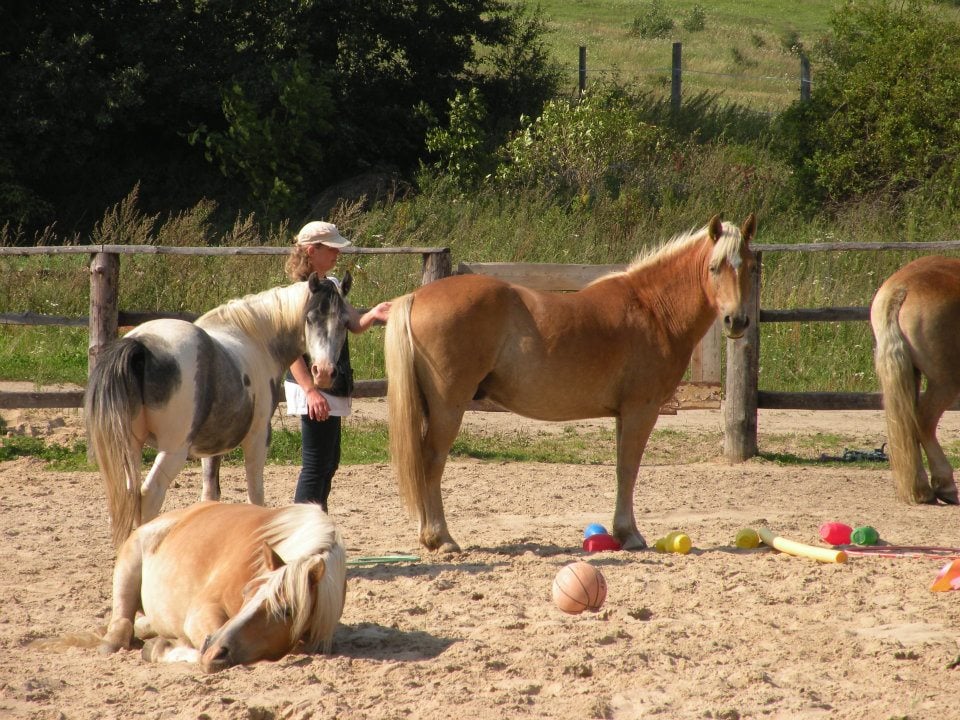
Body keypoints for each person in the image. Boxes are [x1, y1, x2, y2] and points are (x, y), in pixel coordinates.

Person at [283, 220, 391, 512]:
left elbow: (353, 323)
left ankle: (316, 519)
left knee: (329, 462)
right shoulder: (298, 293)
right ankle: (303, 525)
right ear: (312, 251)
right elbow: (290, 350)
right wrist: (310, 392)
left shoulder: (331, 285)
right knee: (316, 464)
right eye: (331, 248)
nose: (337, 253)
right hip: (314, 384)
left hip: (332, 380)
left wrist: (375, 314)